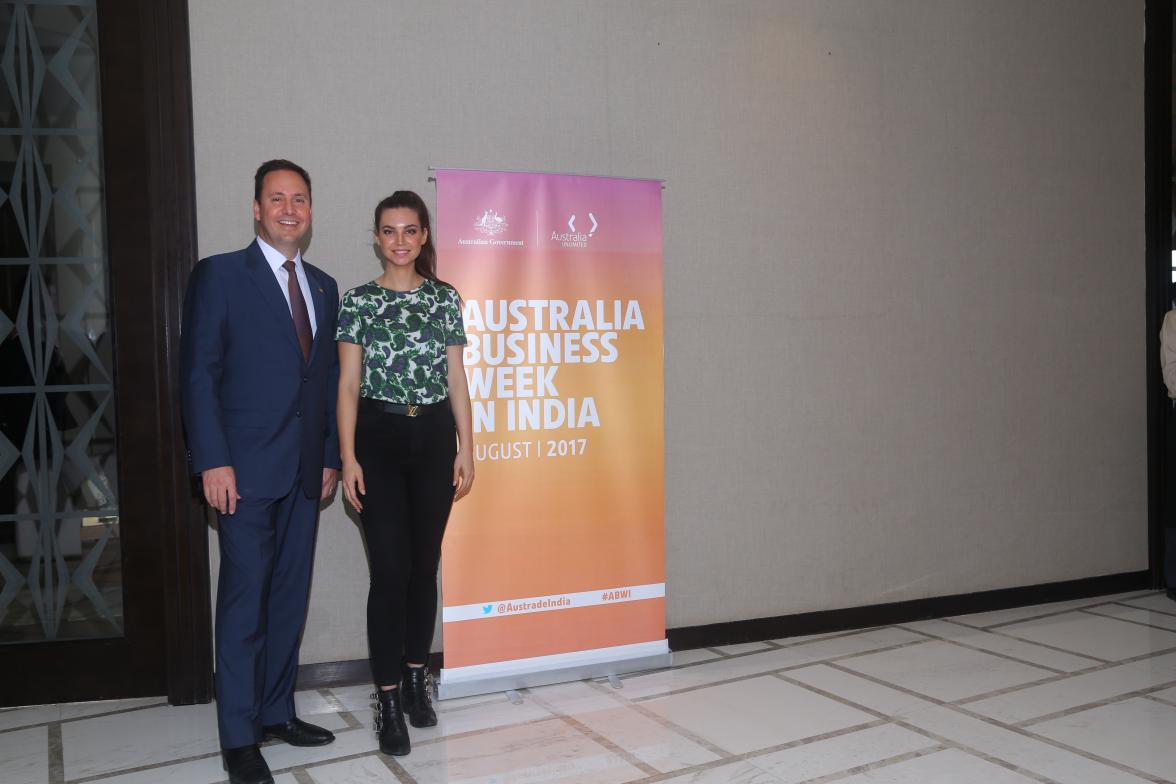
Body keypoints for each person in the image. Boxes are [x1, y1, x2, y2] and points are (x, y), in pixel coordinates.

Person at [180, 160, 341, 784]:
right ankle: (239, 738)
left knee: (287, 598)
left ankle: (277, 711)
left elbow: (322, 383)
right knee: (244, 605)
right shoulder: (220, 275)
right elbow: (199, 375)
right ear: (256, 208)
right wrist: (212, 460)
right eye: (277, 198)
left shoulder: (323, 286)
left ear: (310, 209)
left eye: (299, 198)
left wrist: (328, 456)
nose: (289, 209)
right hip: (240, 473)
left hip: (305, 474)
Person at [336, 190, 474, 756]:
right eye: (389, 231)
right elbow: (346, 386)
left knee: (424, 567)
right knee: (388, 573)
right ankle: (388, 698)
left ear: (423, 236)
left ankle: (418, 679)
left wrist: (469, 446)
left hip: (434, 438)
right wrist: (348, 457)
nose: (399, 241)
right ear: (376, 236)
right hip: (379, 440)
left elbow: (457, 377)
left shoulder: (444, 298)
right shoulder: (358, 301)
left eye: (410, 230)